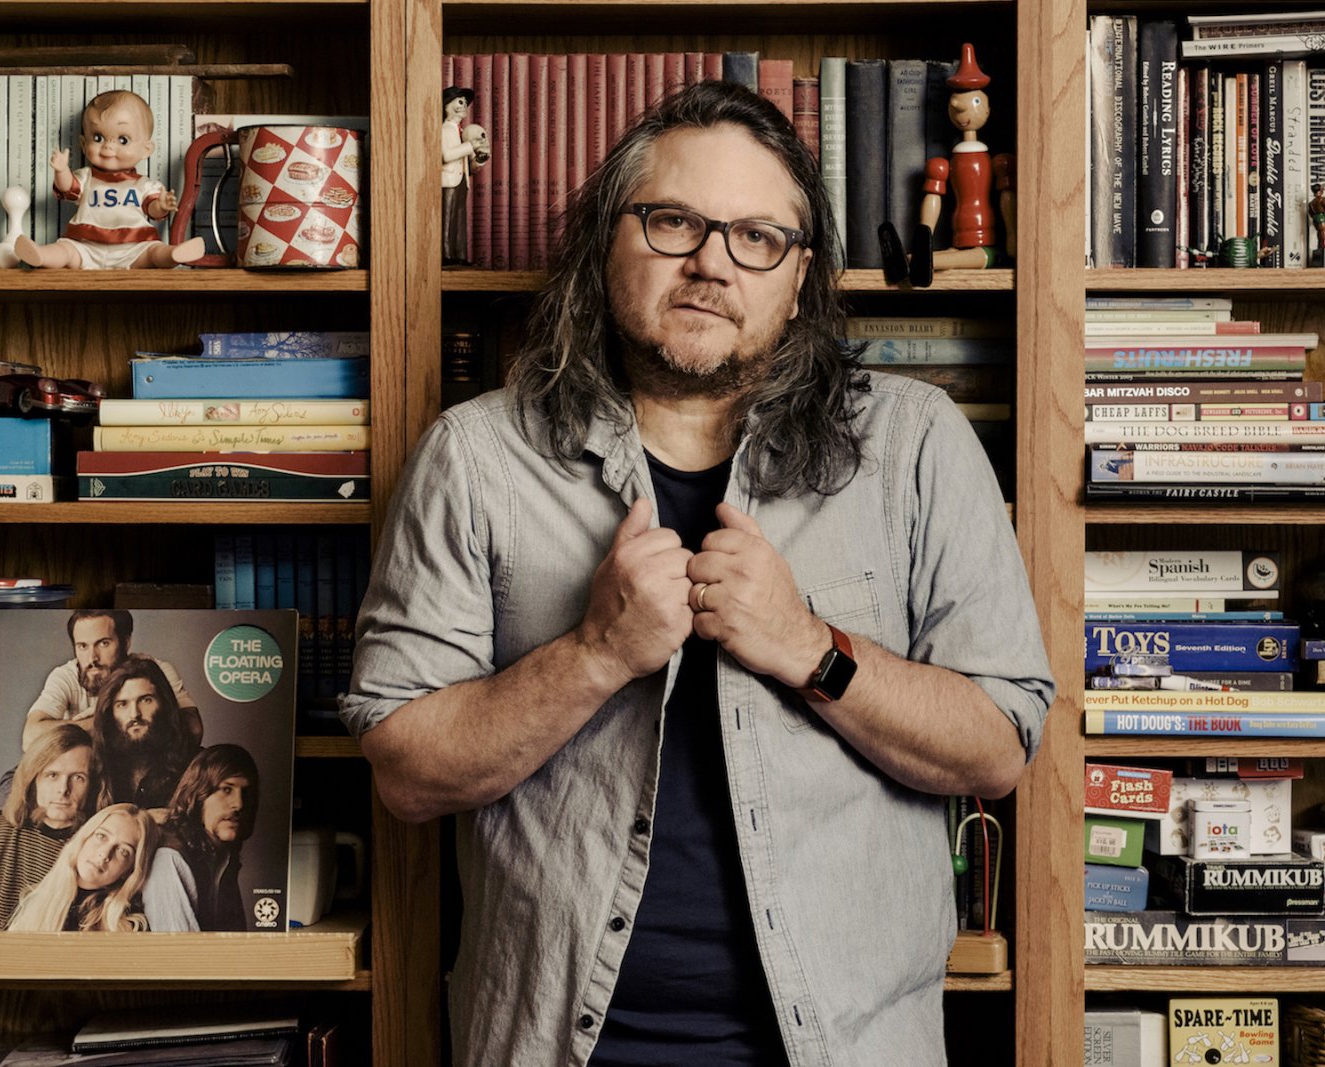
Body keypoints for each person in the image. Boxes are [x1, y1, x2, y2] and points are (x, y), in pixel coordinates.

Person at [340, 81, 1054, 1066]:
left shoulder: (917, 443)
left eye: (758, 236)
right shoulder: (476, 455)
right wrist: (595, 653)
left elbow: (995, 747)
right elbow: (405, 768)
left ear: (798, 277)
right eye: (675, 221)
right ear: (607, 241)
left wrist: (812, 649)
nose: (713, 261)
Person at [16, 89, 204, 269]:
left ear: (146, 149)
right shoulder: (86, 177)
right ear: (83, 143)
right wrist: (61, 170)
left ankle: (173, 255)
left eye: (123, 140)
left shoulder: (144, 184)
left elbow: (153, 211)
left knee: (154, 252)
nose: (108, 147)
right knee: (65, 250)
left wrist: (161, 206)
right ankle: (41, 256)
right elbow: (67, 189)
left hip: (134, 245)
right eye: (98, 138)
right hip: (85, 243)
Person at [0, 724, 100, 931]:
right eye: (52, 775)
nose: (63, 790)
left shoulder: (101, 847)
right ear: (34, 780)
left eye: (78, 778)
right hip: (2, 957)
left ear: (93, 785)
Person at [22, 609, 199, 752]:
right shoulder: (65, 676)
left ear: (126, 642)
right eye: (82, 646)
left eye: (103, 643)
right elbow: (30, 737)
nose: (92, 658)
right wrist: (106, 722)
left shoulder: (154, 671)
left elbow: (194, 730)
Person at [141, 745, 260, 932]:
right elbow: (181, 954)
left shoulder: (222, 853)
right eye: (226, 790)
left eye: (245, 792)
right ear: (199, 794)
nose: (239, 804)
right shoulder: (170, 858)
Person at [5, 803, 156, 932]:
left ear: (129, 871)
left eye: (123, 851)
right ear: (84, 838)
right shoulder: (35, 899)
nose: (105, 854)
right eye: (101, 836)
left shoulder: (129, 925)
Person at [91, 656, 196, 810]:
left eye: (146, 700)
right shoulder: (96, 769)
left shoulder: (194, 767)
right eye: (122, 705)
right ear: (110, 713)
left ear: (164, 704)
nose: (135, 714)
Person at [441, 86, 490, 264]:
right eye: (460, 102)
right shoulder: (445, 130)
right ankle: (445, 254)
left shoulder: (461, 131)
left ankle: (459, 254)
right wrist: (470, 146)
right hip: (448, 181)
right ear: (447, 106)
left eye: (464, 103)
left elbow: (469, 165)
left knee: (460, 219)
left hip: (461, 180)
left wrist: (480, 158)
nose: (463, 106)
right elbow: (446, 155)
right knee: (448, 218)